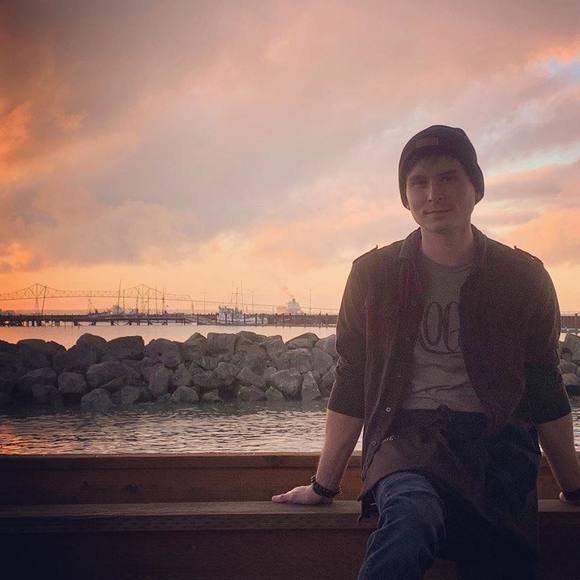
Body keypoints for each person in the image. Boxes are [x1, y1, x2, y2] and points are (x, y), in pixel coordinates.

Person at [272, 125, 580, 579]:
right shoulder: (373, 275)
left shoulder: (523, 277)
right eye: (418, 182)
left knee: (502, 556)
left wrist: (573, 486)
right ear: (405, 196)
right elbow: (352, 380)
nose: (433, 193)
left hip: (497, 449)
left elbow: (544, 387)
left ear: (476, 187)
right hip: (406, 441)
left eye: (448, 177)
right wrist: (324, 485)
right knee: (410, 516)